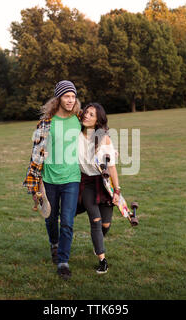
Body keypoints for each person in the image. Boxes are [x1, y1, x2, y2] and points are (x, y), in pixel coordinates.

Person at [23, 80, 82, 280]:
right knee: (50, 217)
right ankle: (54, 243)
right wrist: (36, 178)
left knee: (67, 221)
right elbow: (35, 152)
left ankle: (63, 261)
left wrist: (109, 147)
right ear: (58, 99)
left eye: (73, 96)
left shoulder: (79, 119)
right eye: (67, 96)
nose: (70, 100)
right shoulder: (46, 123)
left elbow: (96, 134)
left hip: (72, 178)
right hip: (48, 177)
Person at [77, 102, 120, 274]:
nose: (87, 115)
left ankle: (98, 242)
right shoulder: (75, 134)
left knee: (106, 224)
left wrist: (117, 190)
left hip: (104, 184)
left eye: (92, 114)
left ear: (98, 120)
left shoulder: (104, 138)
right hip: (86, 183)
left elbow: (112, 168)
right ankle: (102, 260)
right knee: (95, 220)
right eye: (86, 112)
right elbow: (71, 111)